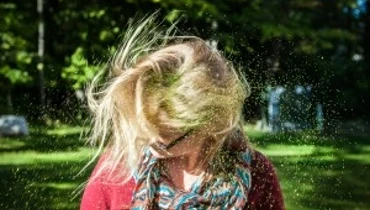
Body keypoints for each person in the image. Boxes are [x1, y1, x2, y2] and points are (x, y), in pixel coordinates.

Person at [80, 16, 285, 210]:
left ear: (209, 124)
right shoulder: (116, 170)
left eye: (164, 136)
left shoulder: (258, 174)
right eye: (144, 126)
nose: (147, 141)